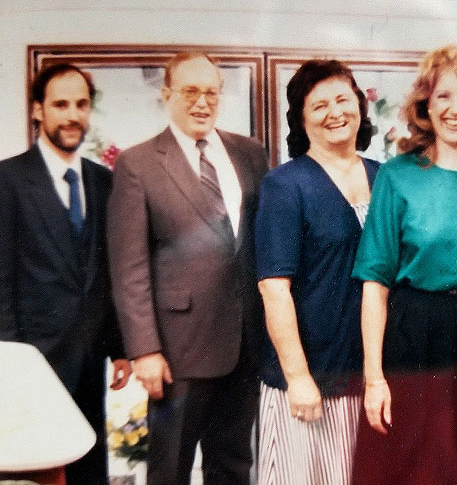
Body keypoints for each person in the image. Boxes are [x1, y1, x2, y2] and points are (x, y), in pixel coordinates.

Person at [351, 45, 457, 485]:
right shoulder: (397, 177)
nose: (455, 108)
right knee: (415, 467)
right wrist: (374, 378)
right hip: (414, 337)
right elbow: (374, 284)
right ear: (425, 104)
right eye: (443, 96)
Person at [107, 51, 269, 485]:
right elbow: (129, 267)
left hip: (244, 343)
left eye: (211, 92)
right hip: (177, 351)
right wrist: (144, 349)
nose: (202, 102)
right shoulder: (138, 164)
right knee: (170, 469)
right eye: (190, 91)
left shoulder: (250, 153)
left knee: (234, 466)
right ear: (167, 95)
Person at [0, 63, 131, 484]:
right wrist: (11, 360)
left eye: (81, 104)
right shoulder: (7, 180)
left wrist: (121, 347)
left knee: (90, 470)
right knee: (38, 473)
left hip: (90, 358)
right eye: (60, 104)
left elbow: (106, 272)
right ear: (38, 111)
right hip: (31, 361)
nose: (72, 115)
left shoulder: (102, 181)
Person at [254, 59, 379, 484]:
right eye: (319, 105)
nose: (335, 112)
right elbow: (274, 289)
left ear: (360, 106)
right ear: (301, 119)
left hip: (369, 378)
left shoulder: (384, 178)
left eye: (343, 99)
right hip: (311, 379)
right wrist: (298, 377)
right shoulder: (286, 185)